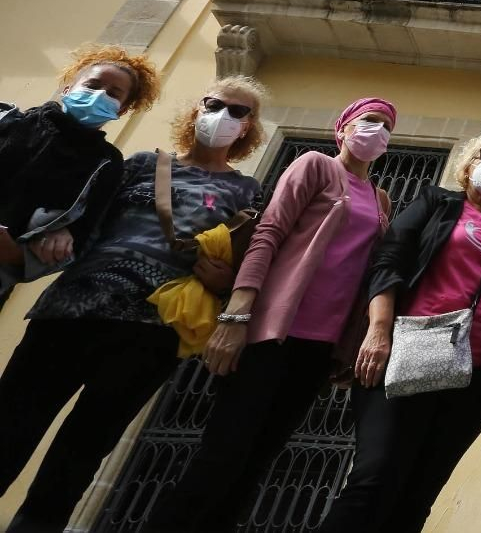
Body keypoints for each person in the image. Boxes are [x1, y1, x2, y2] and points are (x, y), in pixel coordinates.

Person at [0, 76, 263, 533]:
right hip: (69, 312)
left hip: (152, 331)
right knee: (9, 426)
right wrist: (63, 232)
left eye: (239, 112)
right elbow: (85, 219)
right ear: (197, 110)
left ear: (248, 130)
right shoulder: (139, 164)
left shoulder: (248, 193)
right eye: (216, 104)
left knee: (80, 454)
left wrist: (226, 284)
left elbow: (245, 259)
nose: (224, 116)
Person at [146, 97, 399, 533]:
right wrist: (237, 316)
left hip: (319, 348)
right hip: (270, 333)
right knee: (223, 455)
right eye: (368, 121)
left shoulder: (381, 199)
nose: (376, 131)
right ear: (343, 128)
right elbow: (269, 232)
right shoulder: (316, 166)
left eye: (386, 127)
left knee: (258, 461)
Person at [319, 133, 481, 533]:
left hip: (476, 375)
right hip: (405, 352)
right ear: (467, 165)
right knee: (374, 478)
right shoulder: (437, 203)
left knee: (420, 494)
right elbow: (389, 259)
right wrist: (378, 331)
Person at [0, 44, 162, 301]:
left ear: (121, 110)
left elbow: (81, 239)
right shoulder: (7, 120)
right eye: (93, 85)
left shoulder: (107, 165)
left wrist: (18, 252)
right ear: (68, 88)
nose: (99, 94)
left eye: (113, 93)